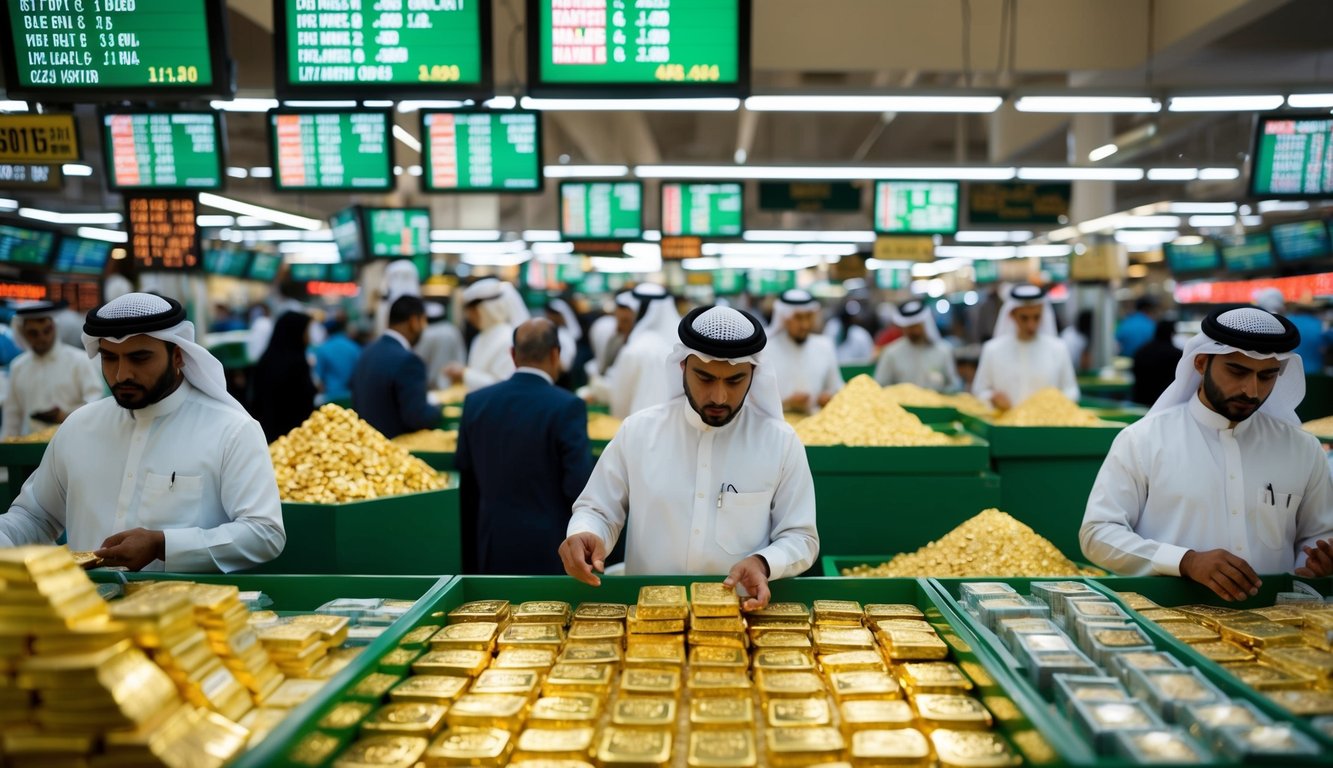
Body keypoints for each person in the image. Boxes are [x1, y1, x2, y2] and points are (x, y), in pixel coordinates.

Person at [0, 293, 285, 572]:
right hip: (84, 611)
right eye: (110, 358)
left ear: (177, 356)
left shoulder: (231, 430)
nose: (122, 374)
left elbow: (265, 533)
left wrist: (164, 544)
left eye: (139, 358)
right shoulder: (78, 427)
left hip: (189, 614)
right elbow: (35, 517)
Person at [560, 305, 820, 610]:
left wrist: (764, 563)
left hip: (739, 619)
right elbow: (599, 509)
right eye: (705, 378)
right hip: (649, 617)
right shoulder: (639, 432)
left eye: (735, 381)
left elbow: (801, 536)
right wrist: (585, 533)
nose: (719, 397)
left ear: (753, 373)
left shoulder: (780, 442)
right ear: (682, 366)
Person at [1081, 306, 1333, 601]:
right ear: (1201, 363)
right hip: (1169, 622)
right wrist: (1185, 561)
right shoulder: (1143, 440)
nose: (1251, 390)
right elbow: (1097, 534)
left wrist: (1318, 563)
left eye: (1267, 376)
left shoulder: (1302, 449)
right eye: (1237, 371)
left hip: (1278, 631)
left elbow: (1318, 534)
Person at [456, 318, 594, 575]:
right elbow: (578, 484)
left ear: (512, 354)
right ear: (556, 354)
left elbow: (465, 470)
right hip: (550, 546)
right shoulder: (567, 406)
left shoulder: (476, 402)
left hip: (490, 542)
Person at [2, 301, 104, 439]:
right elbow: (12, 417)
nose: (42, 337)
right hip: (30, 447)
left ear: (54, 328)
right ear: (23, 333)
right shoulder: (18, 367)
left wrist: (64, 415)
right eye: (33, 333)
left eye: (46, 330)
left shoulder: (79, 360)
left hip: (73, 440)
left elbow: (96, 405)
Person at [972, 285, 1079, 410]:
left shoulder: (1058, 349)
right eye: (1024, 318)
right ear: (1012, 315)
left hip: (1046, 425)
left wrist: (1054, 403)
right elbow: (979, 391)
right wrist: (992, 397)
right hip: (1005, 426)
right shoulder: (992, 350)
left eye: (1036, 317)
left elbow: (1071, 390)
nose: (1031, 325)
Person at [350, 295, 441, 439]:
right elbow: (416, 417)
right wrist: (437, 408)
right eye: (424, 321)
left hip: (366, 447)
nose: (424, 328)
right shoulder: (409, 361)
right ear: (413, 321)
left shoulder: (367, 351)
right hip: (394, 450)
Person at [604, 284, 680, 419]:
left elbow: (620, 402)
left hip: (641, 426)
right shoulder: (681, 344)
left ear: (640, 310)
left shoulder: (636, 349)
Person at [765, 290, 843, 413]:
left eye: (809, 316)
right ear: (785, 318)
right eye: (798, 318)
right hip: (778, 425)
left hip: (817, 425)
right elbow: (754, 402)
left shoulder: (824, 346)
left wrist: (827, 397)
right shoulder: (766, 350)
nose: (805, 325)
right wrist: (787, 404)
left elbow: (837, 388)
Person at [445, 278, 529, 392]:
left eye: (472, 310)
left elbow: (503, 385)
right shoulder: (480, 337)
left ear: (486, 308)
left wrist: (464, 374)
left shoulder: (509, 338)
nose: (469, 317)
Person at [249, 311, 317, 442]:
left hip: (267, 436)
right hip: (293, 440)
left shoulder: (266, 359)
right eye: (307, 332)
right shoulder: (296, 363)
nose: (309, 337)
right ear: (296, 333)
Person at [874, 300, 960, 392]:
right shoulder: (891, 353)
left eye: (916, 326)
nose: (914, 331)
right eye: (909, 327)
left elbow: (954, 385)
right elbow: (880, 385)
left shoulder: (943, 351)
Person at [1131, 319, 1182, 407]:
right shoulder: (1176, 354)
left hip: (1140, 401)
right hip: (1165, 403)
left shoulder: (1141, 351)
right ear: (1172, 334)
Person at [415, 302, 466, 389]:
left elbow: (419, 359)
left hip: (430, 386)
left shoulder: (424, 334)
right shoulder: (453, 330)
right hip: (454, 384)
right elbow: (461, 355)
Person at [313, 318, 362, 405]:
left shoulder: (322, 349)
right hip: (352, 397)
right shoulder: (354, 347)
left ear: (326, 331)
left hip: (330, 399)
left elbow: (318, 378)